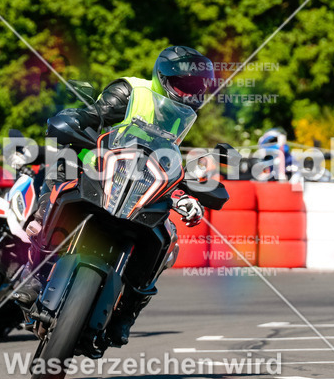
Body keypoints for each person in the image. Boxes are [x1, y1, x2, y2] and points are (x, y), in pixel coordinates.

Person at [13, 45, 214, 346]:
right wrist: (75, 123)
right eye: (183, 85)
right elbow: (92, 116)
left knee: (167, 236)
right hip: (96, 167)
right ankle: (36, 260)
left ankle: (125, 314)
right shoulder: (130, 91)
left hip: (138, 187)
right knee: (63, 165)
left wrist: (187, 195)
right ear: (164, 77)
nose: (188, 94)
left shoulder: (181, 117)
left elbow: (169, 159)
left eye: (195, 88)